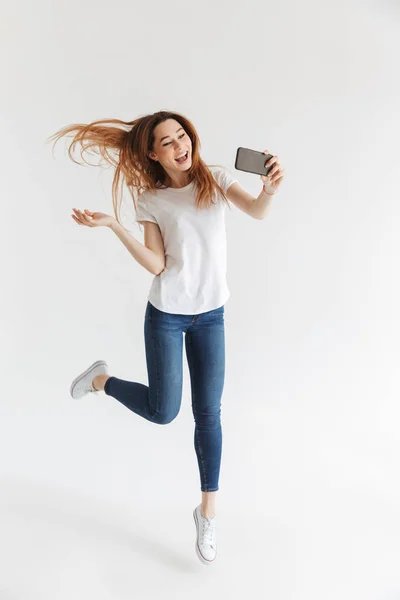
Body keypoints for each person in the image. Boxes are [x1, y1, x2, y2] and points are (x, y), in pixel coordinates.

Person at [48, 110, 284, 565]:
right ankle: (101, 381)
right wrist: (115, 227)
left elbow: (256, 211)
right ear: (153, 154)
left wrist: (270, 188)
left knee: (208, 414)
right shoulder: (150, 200)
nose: (180, 145)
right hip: (167, 316)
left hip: (211, 315)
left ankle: (207, 512)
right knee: (162, 411)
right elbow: (158, 266)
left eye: (183, 135)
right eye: (167, 141)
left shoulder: (213, 179)